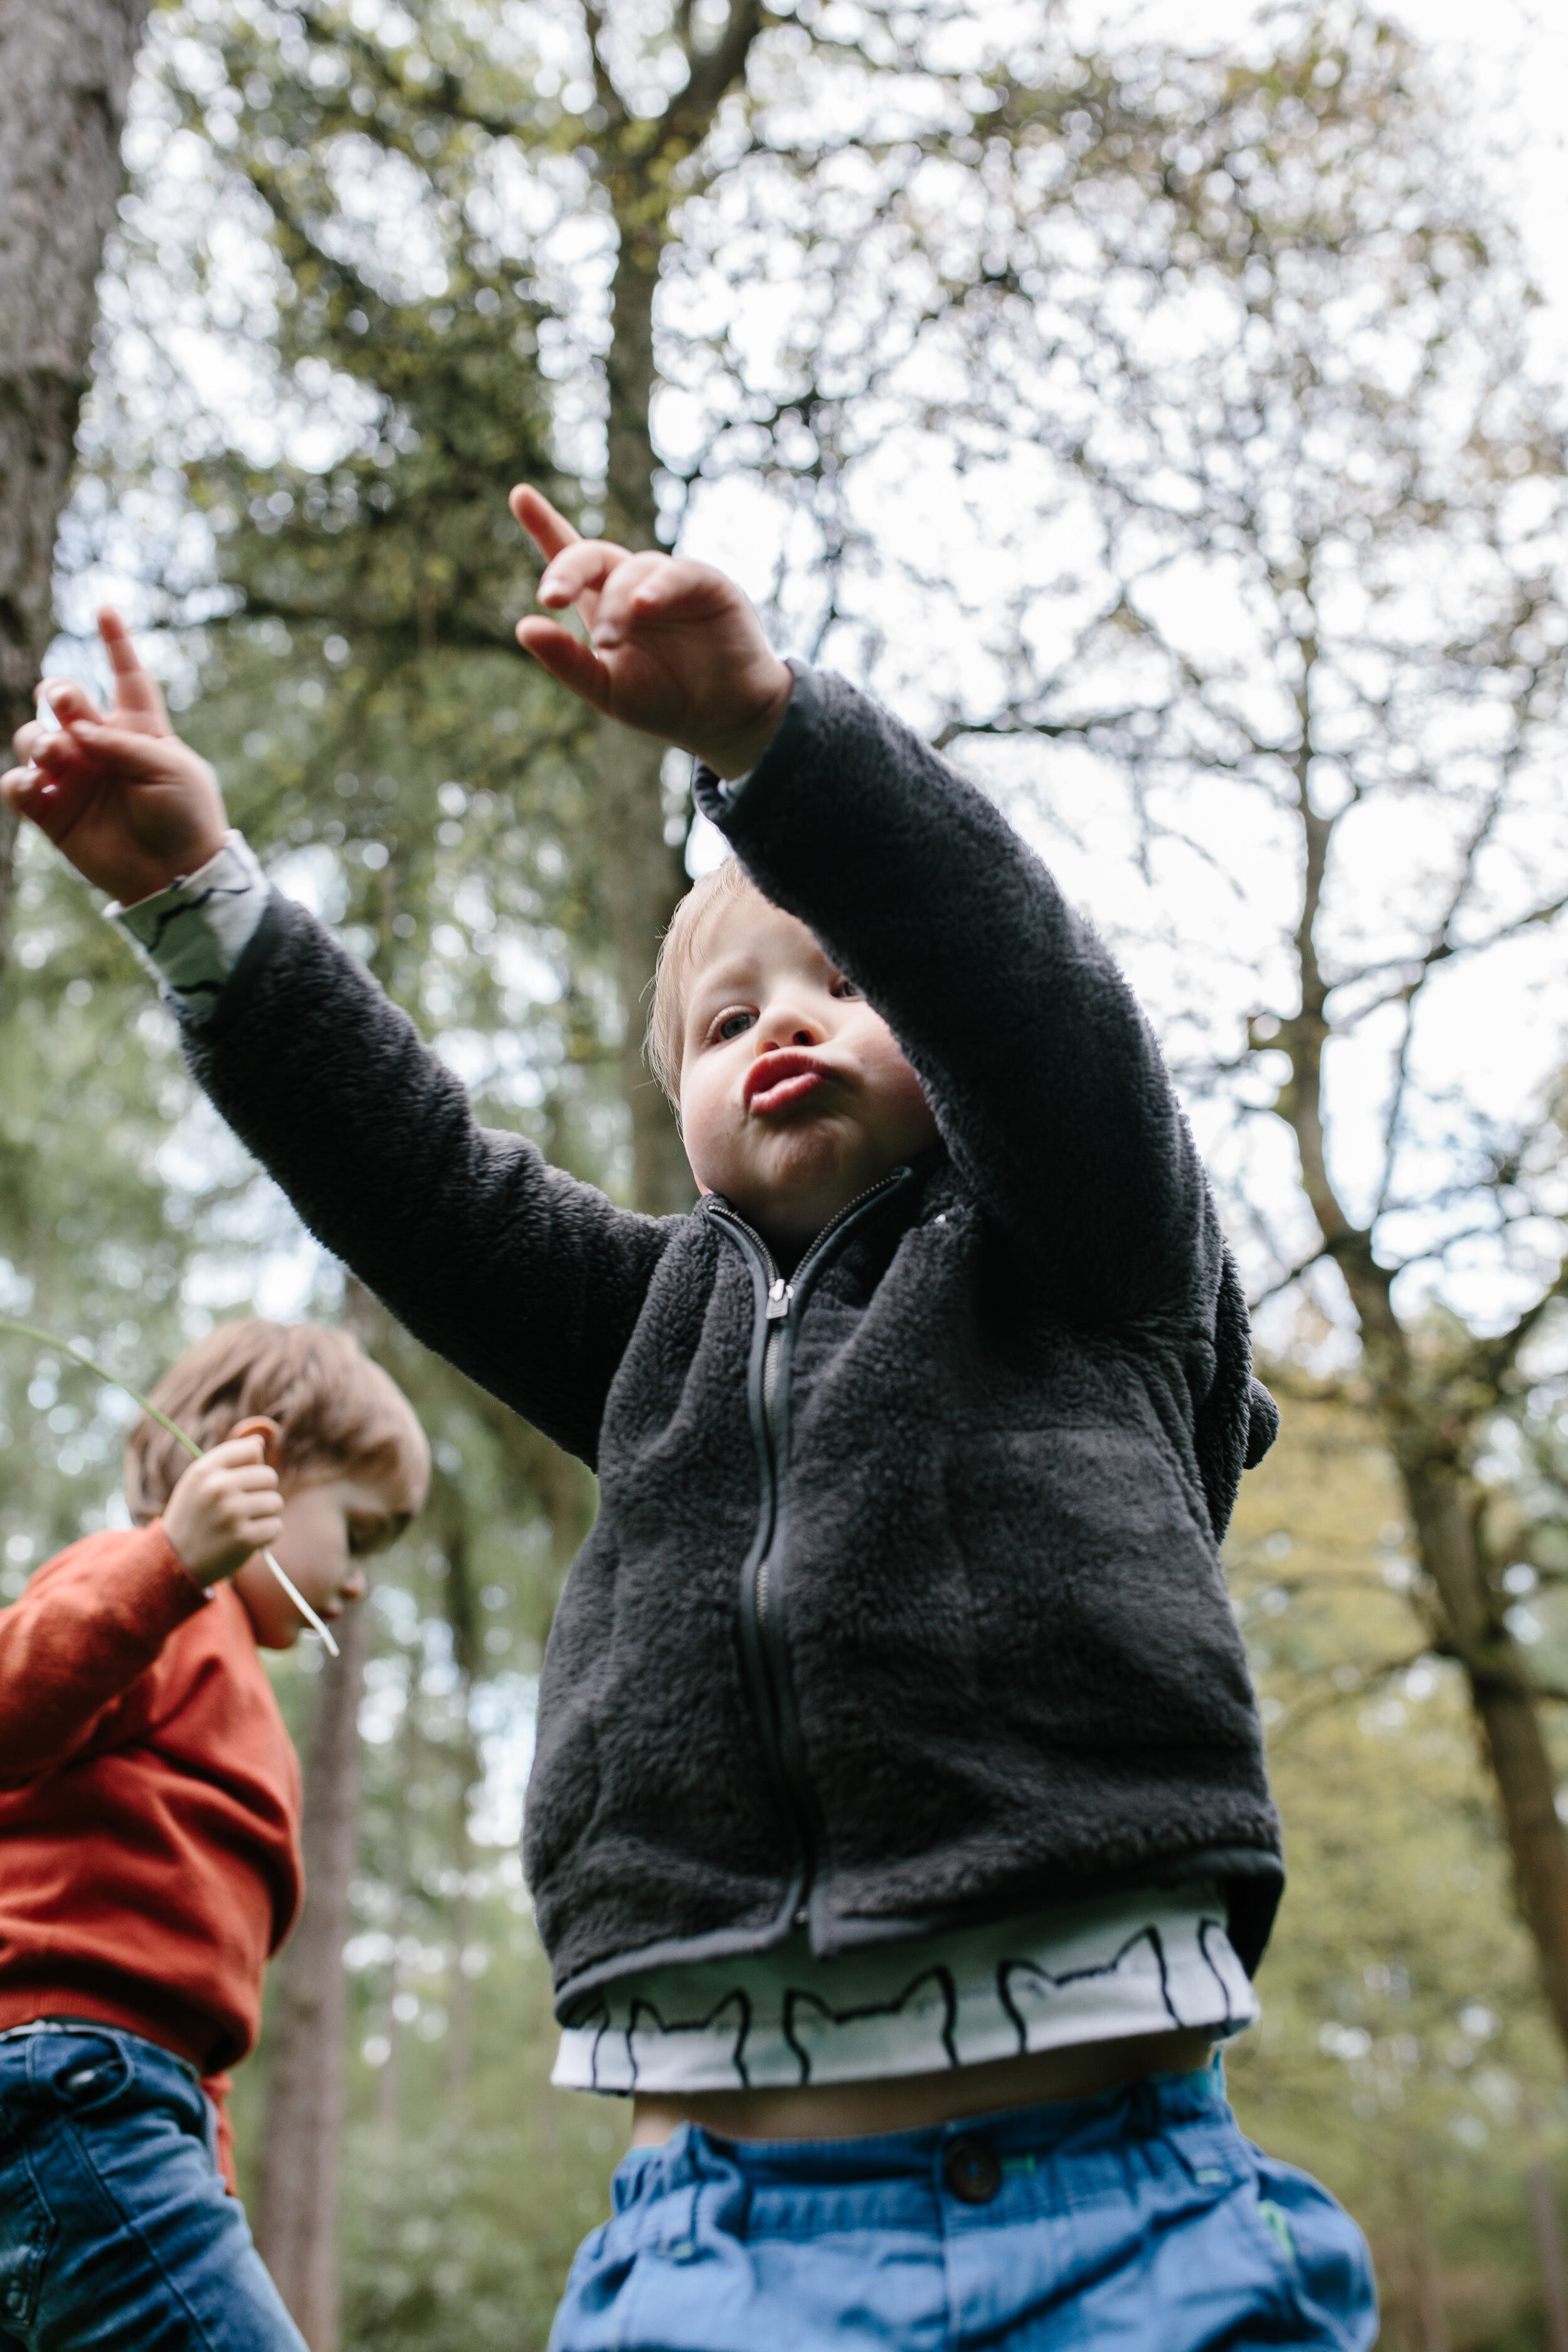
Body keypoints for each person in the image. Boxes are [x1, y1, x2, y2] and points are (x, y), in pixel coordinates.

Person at [2, 492, 1377, 2350]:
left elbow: (1029, 995)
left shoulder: (1090, 1254)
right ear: (682, 1105)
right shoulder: (654, 1324)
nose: (783, 1022)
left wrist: (767, 738)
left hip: (1117, 2195)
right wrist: (195, 897)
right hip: (715, 2228)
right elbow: (414, 1170)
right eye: (725, 1018)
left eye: (840, 978)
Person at [0, 1320, 428, 2352]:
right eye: (359, 1531)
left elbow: (201, 2024)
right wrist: (168, 1565)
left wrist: (211, 2172)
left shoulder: (237, 1694)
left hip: (137, 2104)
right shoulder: (144, 1594)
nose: (359, 1579)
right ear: (263, 1465)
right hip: (70, 2089)